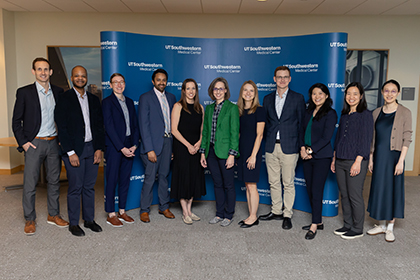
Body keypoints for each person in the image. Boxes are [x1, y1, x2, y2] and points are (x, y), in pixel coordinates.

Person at [12, 57, 68, 235]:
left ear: (51, 72)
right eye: (39, 69)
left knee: (54, 182)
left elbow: (63, 119)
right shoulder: (24, 92)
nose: (43, 72)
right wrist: (24, 143)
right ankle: (30, 219)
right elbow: (16, 121)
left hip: (53, 143)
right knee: (30, 184)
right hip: (34, 143)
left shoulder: (59, 92)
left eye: (46, 69)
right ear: (34, 72)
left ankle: (54, 214)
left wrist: (62, 138)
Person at [55, 65, 105, 237]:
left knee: (89, 187)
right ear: (71, 78)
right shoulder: (64, 98)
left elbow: (99, 126)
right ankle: (74, 223)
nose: (80, 78)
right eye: (77, 76)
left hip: (92, 148)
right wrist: (70, 152)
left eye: (83, 76)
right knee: (75, 187)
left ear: (86, 78)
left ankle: (89, 220)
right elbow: (61, 128)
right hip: (74, 150)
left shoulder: (93, 99)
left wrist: (99, 148)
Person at [259, 66, 305, 230]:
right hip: (271, 146)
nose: (282, 80)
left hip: (290, 147)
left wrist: (301, 146)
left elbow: (302, 125)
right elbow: (266, 124)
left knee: (288, 182)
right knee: (273, 182)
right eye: (279, 77)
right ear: (274, 79)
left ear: (290, 79)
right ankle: (276, 211)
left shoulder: (298, 98)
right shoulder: (267, 98)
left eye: (285, 77)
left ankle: (287, 214)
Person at [366, 80, 412, 242]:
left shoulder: (404, 112)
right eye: (386, 91)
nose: (389, 94)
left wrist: (401, 161)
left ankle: (390, 227)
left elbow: (407, 138)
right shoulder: (376, 112)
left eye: (393, 91)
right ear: (382, 92)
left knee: (393, 190)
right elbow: (372, 138)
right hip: (379, 156)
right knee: (379, 188)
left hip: (394, 157)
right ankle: (381, 224)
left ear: (398, 93)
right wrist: (371, 158)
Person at [331, 82, 373, 240]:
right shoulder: (344, 115)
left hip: (356, 160)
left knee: (355, 195)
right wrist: (334, 158)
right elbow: (339, 138)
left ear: (361, 96)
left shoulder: (366, 115)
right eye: (348, 93)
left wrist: (358, 161)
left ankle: (357, 228)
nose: (351, 97)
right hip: (340, 159)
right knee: (345, 195)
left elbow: (366, 140)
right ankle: (347, 224)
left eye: (355, 94)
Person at [200, 77, 239, 227]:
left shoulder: (232, 108)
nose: (218, 91)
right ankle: (219, 213)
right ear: (212, 91)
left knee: (228, 185)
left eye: (221, 88)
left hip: (225, 153)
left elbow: (235, 133)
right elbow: (205, 132)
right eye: (215, 89)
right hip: (211, 153)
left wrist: (232, 155)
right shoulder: (209, 109)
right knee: (217, 184)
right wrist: (203, 152)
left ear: (226, 91)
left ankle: (229, 215)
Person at [138, 69, 176, 223]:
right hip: (153, 145)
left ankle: (164, 207)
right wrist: (149, 149)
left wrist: (173, 148)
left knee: (164, 177)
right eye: (158, 80)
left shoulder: (171, 98)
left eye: (164, 80)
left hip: (168, 142)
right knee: (149, 178)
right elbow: (143, 125)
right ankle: (144, 210)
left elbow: (174, 123)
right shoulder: (145, 98)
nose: (162, 82)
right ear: (153, 81)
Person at [299, 83, 337, 240]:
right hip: (307, 156)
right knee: (309, 190)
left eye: (320, 93)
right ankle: (319, 220)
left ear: (326, 95)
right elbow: (301, 130)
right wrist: (302, 148)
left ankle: (314, 225)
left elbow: (326, 138)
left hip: (321, 157)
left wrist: (309, 151)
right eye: (314, 93)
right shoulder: (308, 111)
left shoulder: (330, 113)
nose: (317, 96)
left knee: (316, 190)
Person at [102, 73, 140, 227]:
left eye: (121, 82)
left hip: (129, 145)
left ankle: (122, 211)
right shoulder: (107, 102)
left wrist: (134, 145)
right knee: (112, 179)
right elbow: (109, 127)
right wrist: (121, 147)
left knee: (125, 180)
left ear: (125, 84)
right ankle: (111, 213)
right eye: (115, 82)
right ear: (110, 85)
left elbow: (135, 125)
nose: (119, 85)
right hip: (114, 146)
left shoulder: (130, 102)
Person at [170, 78, 206, 225]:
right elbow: (174, 130)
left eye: (193, 88)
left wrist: (198, 144)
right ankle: (185, 213)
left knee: (193, 178)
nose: (191, 91)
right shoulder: (178, 106)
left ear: (196, 91)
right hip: (182, 148)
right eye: (188, 88)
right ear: (183, 90)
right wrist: (188, 145)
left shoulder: (200, 108)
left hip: (196, 148)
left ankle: (190, 210)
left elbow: (203, 129)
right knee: (183, 178)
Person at [236, 81, 265, 228]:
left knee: (252, 185)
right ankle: (250, 214)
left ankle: (254, 216)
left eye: (251, 91)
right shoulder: (238, 111)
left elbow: (259, 135)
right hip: (241, 152)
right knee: (247, 185)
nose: (248, 93)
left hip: (252, 152)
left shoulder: (259, 111)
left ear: (255, 94)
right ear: (241, 92)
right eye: (245, 90)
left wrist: (253, 155)